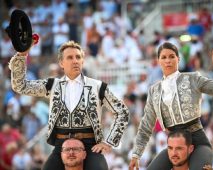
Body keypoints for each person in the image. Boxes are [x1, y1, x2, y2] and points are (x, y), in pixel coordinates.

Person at [9, 40, 130, 170]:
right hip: (62, 145)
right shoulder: (52, 86)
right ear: (61, 63)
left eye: (78, 57)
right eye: (70, 57)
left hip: (90, 145)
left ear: (82, 61)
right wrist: (22, 55)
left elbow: (122, 111)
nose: (75, 60)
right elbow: (20, 86)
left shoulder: (97, 86)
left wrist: (109, 142)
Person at [129, 40, 213, 170]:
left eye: (171, 56)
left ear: (178, 59)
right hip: (174, 146)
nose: (168, 60)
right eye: (164, 57)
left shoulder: (193, 79)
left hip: (198, 142)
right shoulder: (154, 91)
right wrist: (136, 154)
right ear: (158, 61)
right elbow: (146, 125)